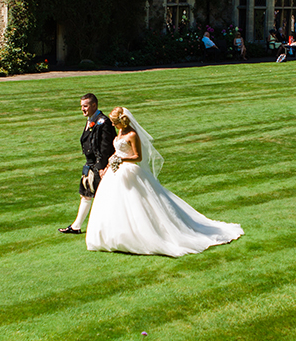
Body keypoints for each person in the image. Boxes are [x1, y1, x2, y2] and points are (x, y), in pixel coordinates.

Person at [85, 107, 243, 256]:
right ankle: (111, 235)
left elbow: (138, 157)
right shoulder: (119, 133)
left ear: (122, 121)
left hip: (129, 170)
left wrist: (121, 159)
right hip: (115, 172)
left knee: (136, 202)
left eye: (115, 121)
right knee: (112, 202)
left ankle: (137, 236)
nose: (112, 124)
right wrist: (108, 165)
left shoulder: (132, 135)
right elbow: (116, 151)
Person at [59, 94, 116, 235]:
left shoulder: (103, 122)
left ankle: (105, 226)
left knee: (101, 197)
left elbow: (105, 147)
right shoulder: (91, 120)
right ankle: (76, 226)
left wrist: (101, 167)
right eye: (81, 106)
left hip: (98, 166)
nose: (82, 109)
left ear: (94, 105)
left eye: (85, 106)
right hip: (89, 164)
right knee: (85, 194)